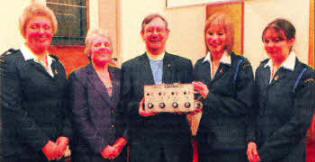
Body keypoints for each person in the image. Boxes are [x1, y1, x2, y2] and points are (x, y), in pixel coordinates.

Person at [0, 2, 71, 162]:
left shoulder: (57, 64)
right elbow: (12, 110)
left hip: (55, 151)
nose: (41, 32)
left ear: (53, 31)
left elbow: (66, 104)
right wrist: (43, 144)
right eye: (34, 27)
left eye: (46, 27)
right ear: (24, 31)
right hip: (22, 153)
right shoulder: (9, 63)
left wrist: (65, 135)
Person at [119, 14, 193, 162]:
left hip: (177, 145)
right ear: (142, 34)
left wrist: (190, 106)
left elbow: (191, 100)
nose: (155, 34)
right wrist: (138, 109)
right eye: (150, 30)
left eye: (159, 30)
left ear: (167, 33)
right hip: (144, 146)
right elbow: (124, 105)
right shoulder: (129, 67)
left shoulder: (184, 65)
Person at [247, 18, 315, 162]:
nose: (270, 45)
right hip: (258, 150)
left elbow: (299, 123)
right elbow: (254, 109)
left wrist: (265, 153)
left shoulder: (305, 74)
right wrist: (251, 140)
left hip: (288, 154)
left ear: (291, 41)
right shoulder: (261, 70)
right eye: (266, 41)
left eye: (277, 40)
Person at [193, 13, 255, 162]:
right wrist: (194, 105)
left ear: (229, 37)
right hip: (205, 141)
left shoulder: (241, 65)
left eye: (220, 34)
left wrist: (209, 97)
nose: (214, 38)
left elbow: (244, 106)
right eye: (210, 33)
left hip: (231, 144)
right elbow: (199, 99)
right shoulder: (200, 64)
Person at [69, 29, 127, 162]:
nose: (103, 48)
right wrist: (102, 147)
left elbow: (127, 111)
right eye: (97, 45)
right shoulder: (78, 77)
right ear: (89, 51)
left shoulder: (120, 75)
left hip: (118, 151)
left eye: (106, 45)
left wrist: (122, 142)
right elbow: (79, 117)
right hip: (89, 153)